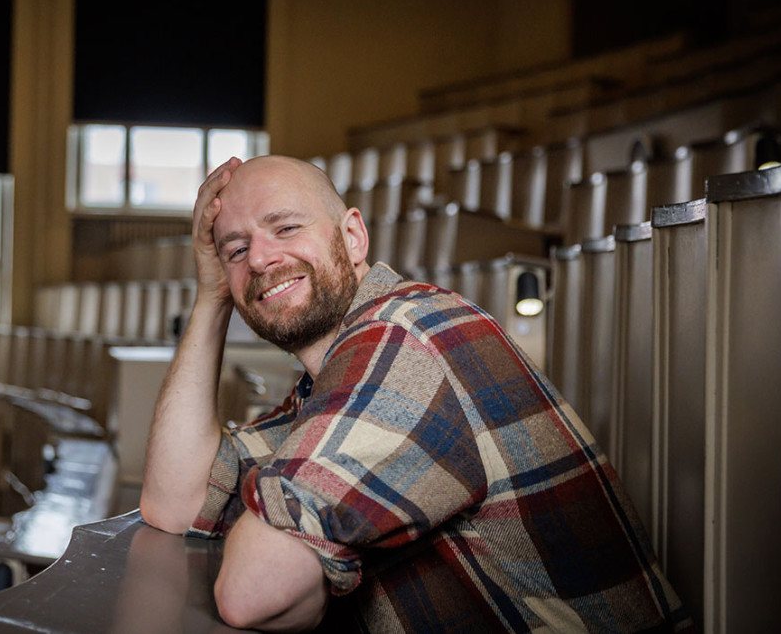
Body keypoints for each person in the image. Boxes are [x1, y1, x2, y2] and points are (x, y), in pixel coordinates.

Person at [140, 155, 690, 632]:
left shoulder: (408, 336)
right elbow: (176, 500)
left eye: (284, 228)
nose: (259, 259)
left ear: (353, 237)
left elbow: (252, 590)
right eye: (236, 250)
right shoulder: (330, 382)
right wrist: (211, 296)